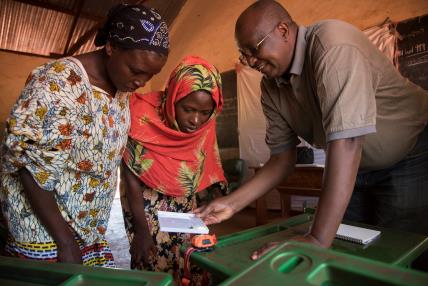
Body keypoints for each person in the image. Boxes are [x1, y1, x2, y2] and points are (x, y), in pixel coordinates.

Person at [195, 0, 428, 260]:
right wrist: (231, 203)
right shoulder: (270, 88)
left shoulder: (332, 44)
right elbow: (282, 159)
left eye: (254, 49)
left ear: (283, 30)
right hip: (359, 167)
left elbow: (348, 142)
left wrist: (316, 239)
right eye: (244, 54)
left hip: (410, 155)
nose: (250, 61)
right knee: (347, 251)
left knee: (399, 253)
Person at [0, 3, 169, 267]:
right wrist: (64, 242)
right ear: (111, 47)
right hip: (47, 233)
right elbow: (31, 169)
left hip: (89, 227)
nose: (142, 81)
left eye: (151, 75)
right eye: (136, 70)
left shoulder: (120, 88)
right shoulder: (58, 84)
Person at [120, 55, 226, 282]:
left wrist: (212, 212)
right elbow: (129, 176)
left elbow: (208, 167)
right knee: (154, 267)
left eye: (204, 113)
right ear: (173, 97)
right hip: (146, 211)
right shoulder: (141, 115)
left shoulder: (206, 124)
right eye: (188, 109)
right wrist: (141, 231)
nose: (196, 120)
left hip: (187, 209)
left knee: (192, 263)